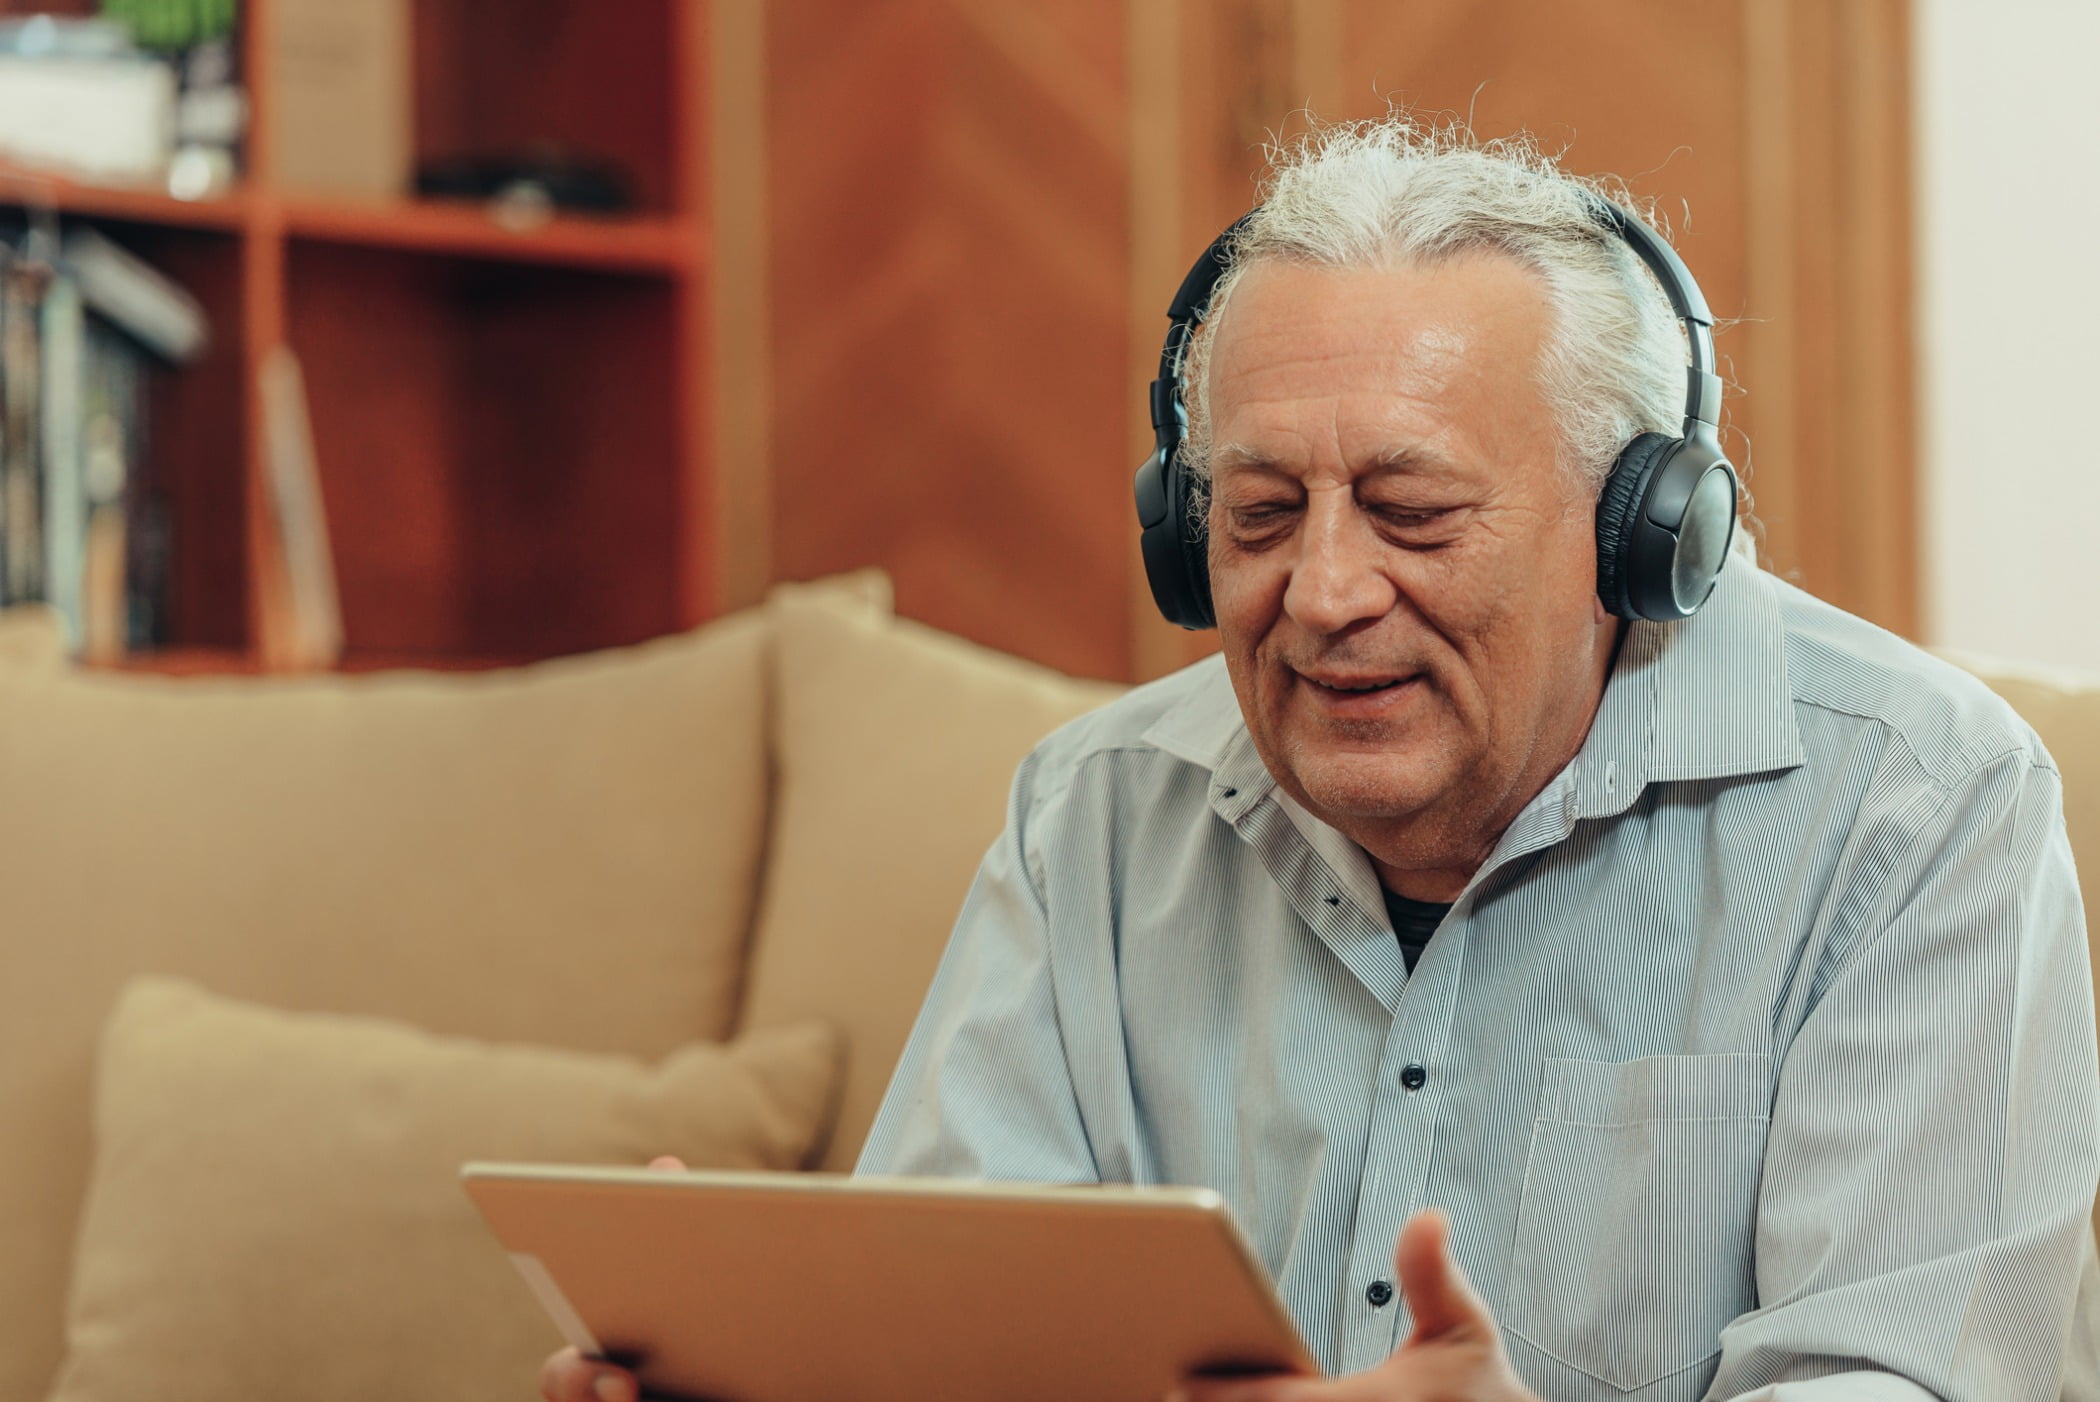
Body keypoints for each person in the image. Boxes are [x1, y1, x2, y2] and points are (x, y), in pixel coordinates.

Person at [543, 118, 2099, 1402]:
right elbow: (965, 1339)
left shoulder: (1918, 802)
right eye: (1260, 514)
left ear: (1643, 532)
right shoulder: (1094, 815)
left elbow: (1912, 1382)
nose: (1326, 593)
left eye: (1414, 513)